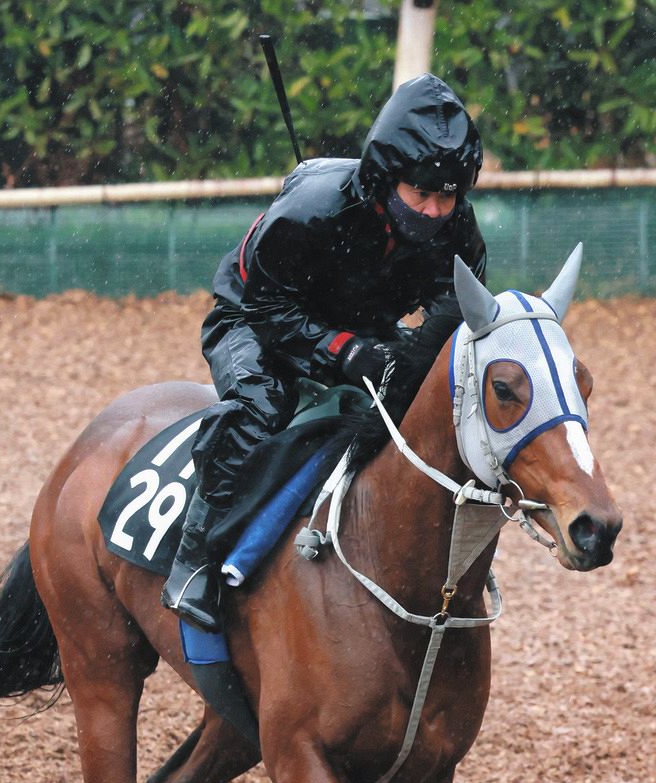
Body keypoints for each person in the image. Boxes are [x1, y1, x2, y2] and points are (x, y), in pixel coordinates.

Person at [161, 72, 487, 631]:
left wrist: (404, 365)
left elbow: (454, 310)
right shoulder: (310, 212)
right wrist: (342, 350)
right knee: (260, 407)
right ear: (387, 179)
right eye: (422, 194)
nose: (435, 211)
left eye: (447, 196)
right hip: (253, 318)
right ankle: (194, 560)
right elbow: (268, 311)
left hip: (360, 323)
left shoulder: (455, 226)